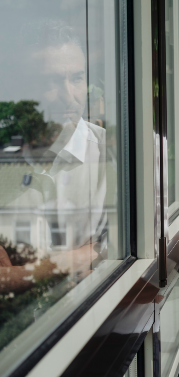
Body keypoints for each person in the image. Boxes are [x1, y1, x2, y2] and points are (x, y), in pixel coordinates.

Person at [0, 21, 108, 295]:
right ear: (21, 89)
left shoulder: (113, 156)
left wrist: (24, 275)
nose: (67, 96)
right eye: (50, 81)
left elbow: (121, 253)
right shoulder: (4, 157)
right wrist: (73, 259)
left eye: (76, 78)